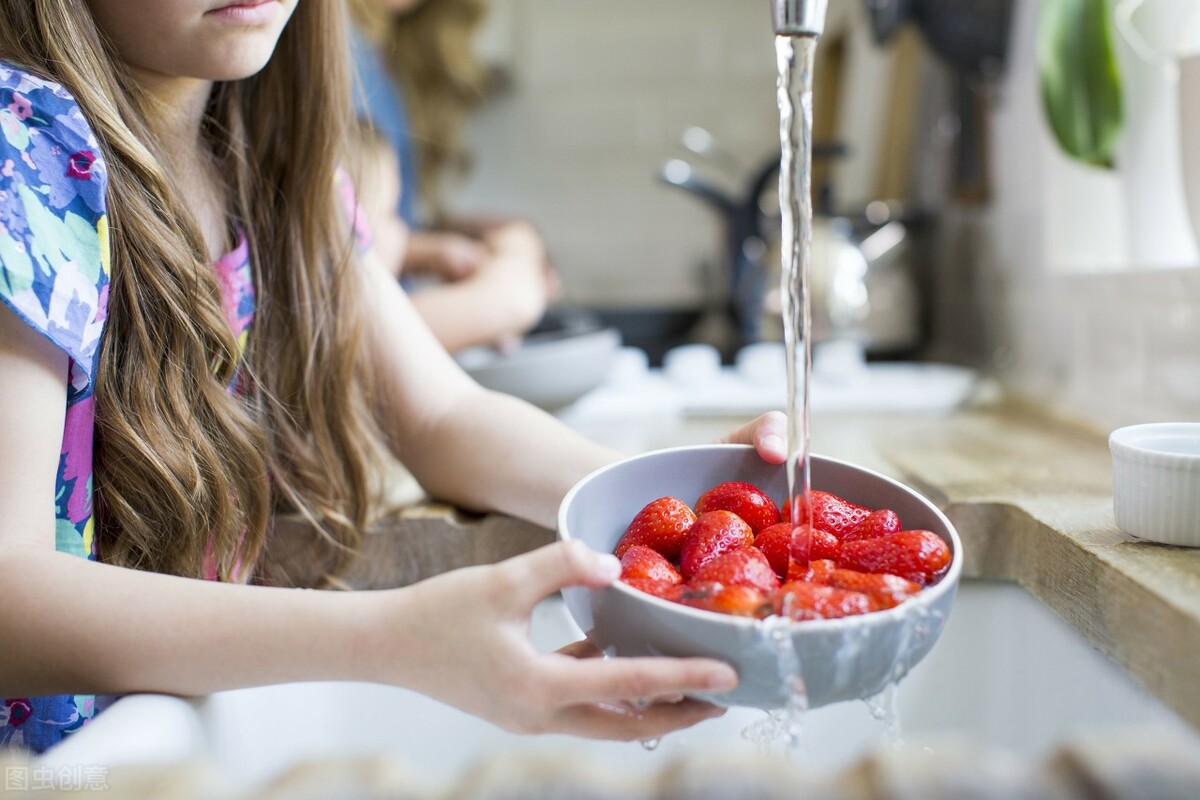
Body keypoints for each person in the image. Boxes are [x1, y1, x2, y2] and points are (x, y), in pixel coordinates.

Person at [0, 0, 788, 753]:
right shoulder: (21, 156)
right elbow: (9, 590)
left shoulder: (273, 159)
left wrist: (672, 502)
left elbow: (443, 419)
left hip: (159, 739)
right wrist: (398, 638)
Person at [348, 0, 559, 354]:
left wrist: (447, 248)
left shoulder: (385, 55)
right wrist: (503, 299)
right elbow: (339, 256)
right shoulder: (337, 55)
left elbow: (372, 228)